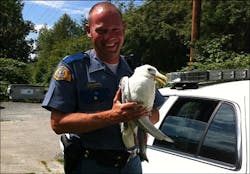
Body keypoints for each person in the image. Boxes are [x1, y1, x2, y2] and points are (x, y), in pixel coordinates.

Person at [42, 2, 165, 174]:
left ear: (124, 29)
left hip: (131, 165)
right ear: (88, 31)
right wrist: (113, 116)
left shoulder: (136, 69)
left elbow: (155, 114)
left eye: (115, 30)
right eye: (101, 30)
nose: (109, 37)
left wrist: (137, 118)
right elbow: (58, 124)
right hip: (90, 166)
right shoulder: (73, 68)